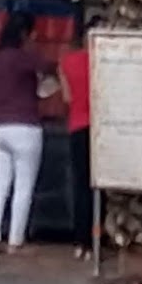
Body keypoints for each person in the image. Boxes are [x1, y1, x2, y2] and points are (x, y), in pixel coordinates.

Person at [0, 10, 48, 251]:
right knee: (23, 187)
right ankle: (15, 241)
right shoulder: (25, 58)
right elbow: (50, 67)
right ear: (24, 33)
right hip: (26, 128)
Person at [59, 17, 94, 258]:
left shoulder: (66, 62)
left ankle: (81, 241)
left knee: (80, 185)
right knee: (98, 187)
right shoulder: (104, 62)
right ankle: (97, 236)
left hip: (76, 126)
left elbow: (67, 98)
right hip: (100, 127)